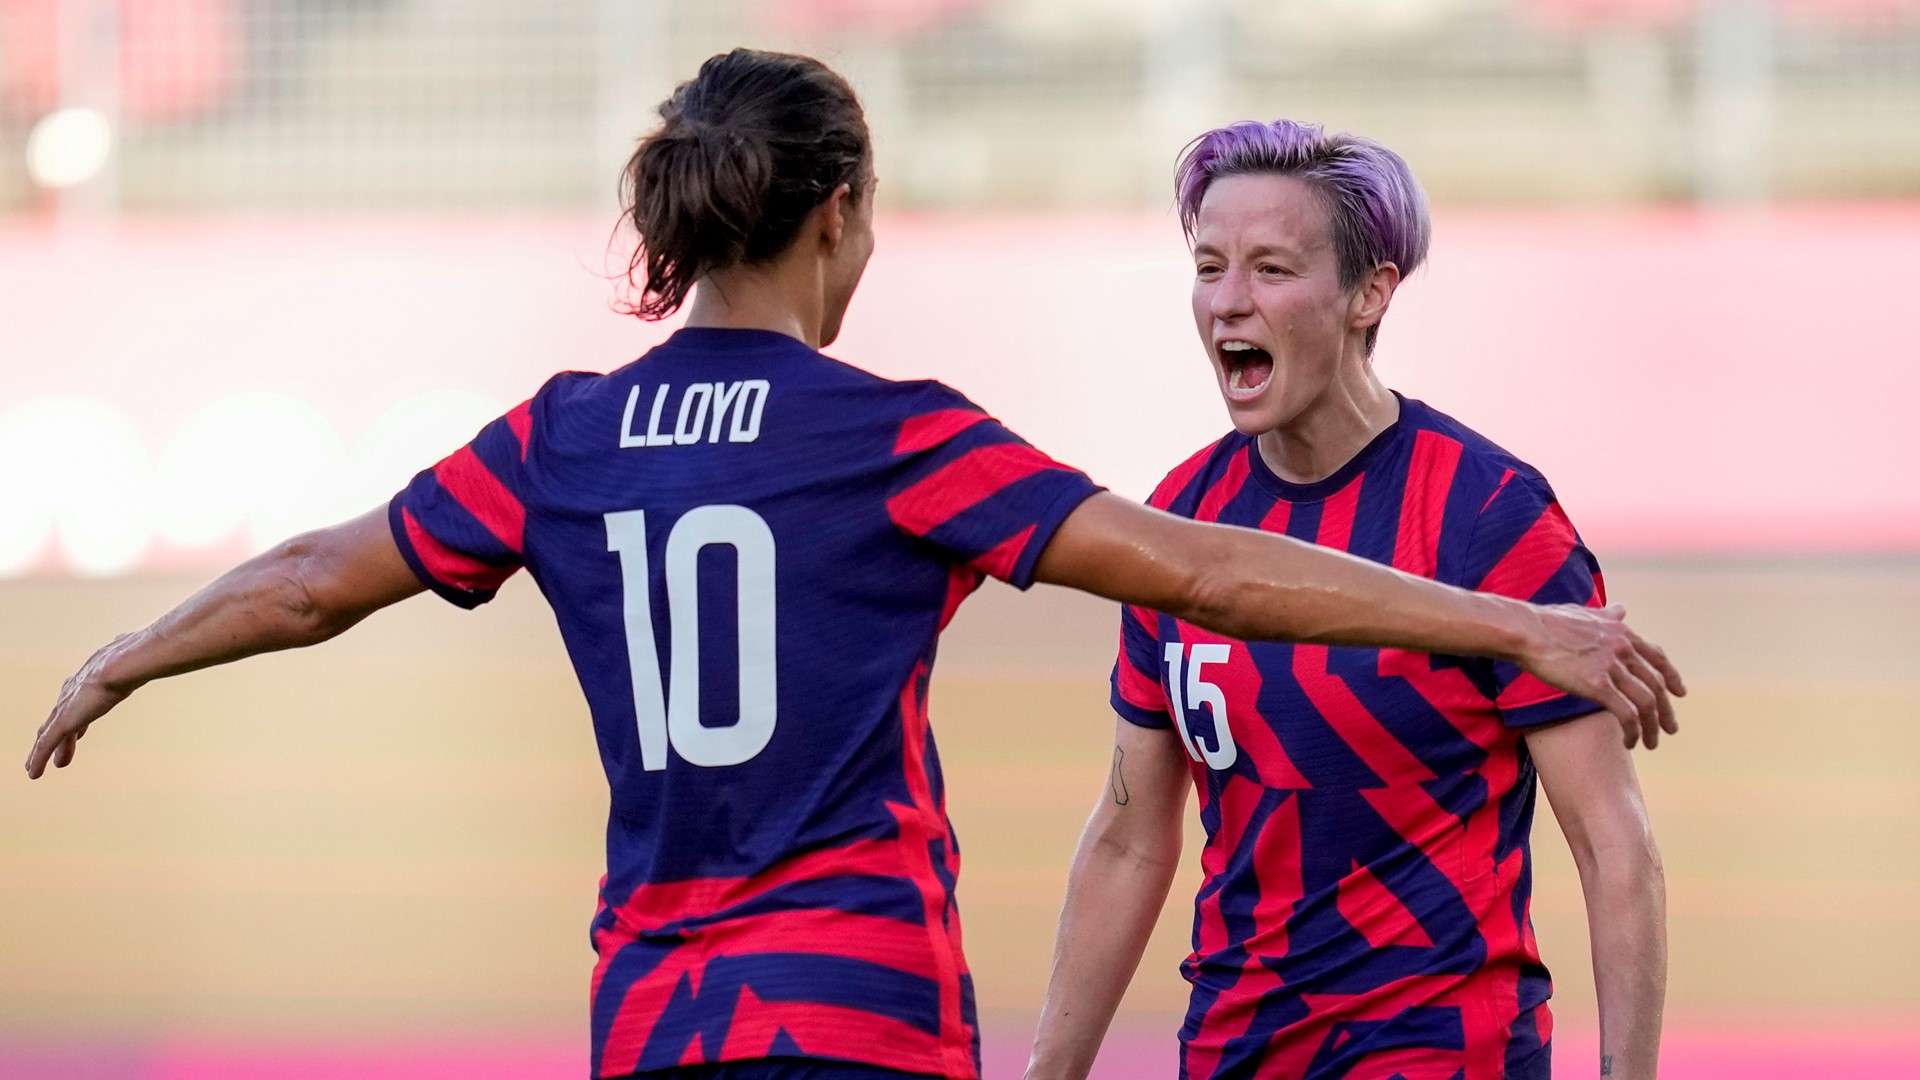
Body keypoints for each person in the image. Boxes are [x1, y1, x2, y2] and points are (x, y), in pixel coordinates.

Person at [25, 57, 1680, 1080]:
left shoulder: (564, 440)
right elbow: (1202, 575)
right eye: (871, 216)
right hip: (859, 1007)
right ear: (830, 218)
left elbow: (321, 576)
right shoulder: (893, 439)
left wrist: (130, 652)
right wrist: (1513, 625)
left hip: (654, 1021)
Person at [1024, 121, 1669, 1080]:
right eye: (1209, 266)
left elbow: (1613, 847)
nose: (1228, 302)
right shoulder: (1183, 516)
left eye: (1273, 269)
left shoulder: (1489, 515)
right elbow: (1128, 838)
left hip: (1440, 1049)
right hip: (1235, 1045)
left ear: (1371, 293)